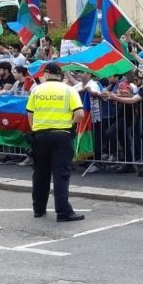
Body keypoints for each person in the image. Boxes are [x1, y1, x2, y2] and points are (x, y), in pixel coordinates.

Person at [26, 62, 86, 222]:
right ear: (60, 75)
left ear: (46, 74)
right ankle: (63, 212)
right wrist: (70, 126)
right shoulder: (69, 90)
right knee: (61, 174)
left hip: (39, 136)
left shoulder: (36, 90)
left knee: (40, 174)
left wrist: (35, 130)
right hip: (61, 135)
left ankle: (38, 209)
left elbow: (30, 115)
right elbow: (79, 114)